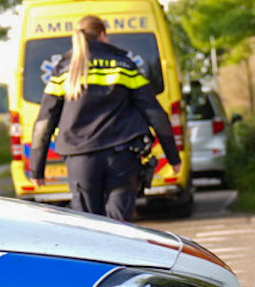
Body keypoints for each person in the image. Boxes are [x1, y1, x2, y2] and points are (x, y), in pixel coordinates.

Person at [25, 14, 180, 222]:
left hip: (81, 160)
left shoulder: (64, 71)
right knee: (121, 227)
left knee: (90, 230)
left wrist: (36, 167)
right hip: (122, 157)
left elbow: (44, 123)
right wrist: (173, 157)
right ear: (103, 35)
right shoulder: (124, 66)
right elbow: (154, 112)